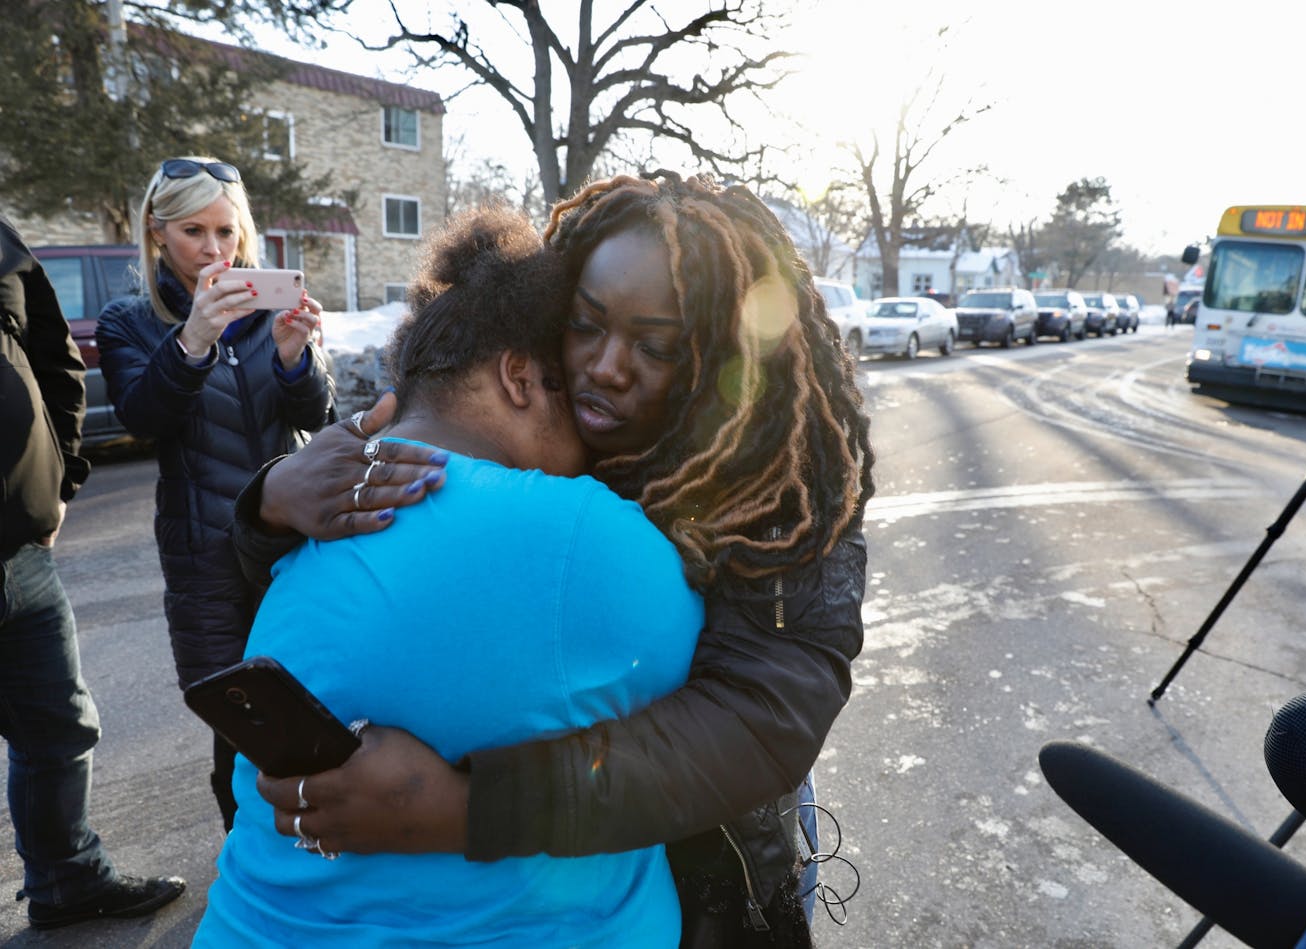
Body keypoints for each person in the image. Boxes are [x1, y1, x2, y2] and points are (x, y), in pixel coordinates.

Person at [233, 172, 874, 945]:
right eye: (585, 324)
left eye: (656, 345)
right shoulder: (552, 436)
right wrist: (271, 499)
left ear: (717, 352)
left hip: (716, 877)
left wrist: (471, 808)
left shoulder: (779, 487)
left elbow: (763, 716)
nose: (605, 365)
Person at [195, 205, 704, 945]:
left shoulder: (305, 516)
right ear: (520, 376)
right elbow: (721, 705)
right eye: (572, 390)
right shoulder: (583, 532)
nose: (594, 431)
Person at [95, 157, 336, 831]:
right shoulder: (130, 321)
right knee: (238, 722)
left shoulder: (267, 309)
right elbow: (144, 418)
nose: (214, 249)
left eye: (227, 230)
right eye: (194, 230)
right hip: (204, 558)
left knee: (310, 703)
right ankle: (246, 868)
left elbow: (316, 416)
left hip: (289, 548)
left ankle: (311, 861)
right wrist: (193, 338)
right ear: (156, 233)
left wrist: (294, 356)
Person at [0, 214, 187, 929]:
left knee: (59, 728)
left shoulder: (1, 239)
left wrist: (62, 477)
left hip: (22, 550)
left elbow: (53, 352)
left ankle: (67, 880)